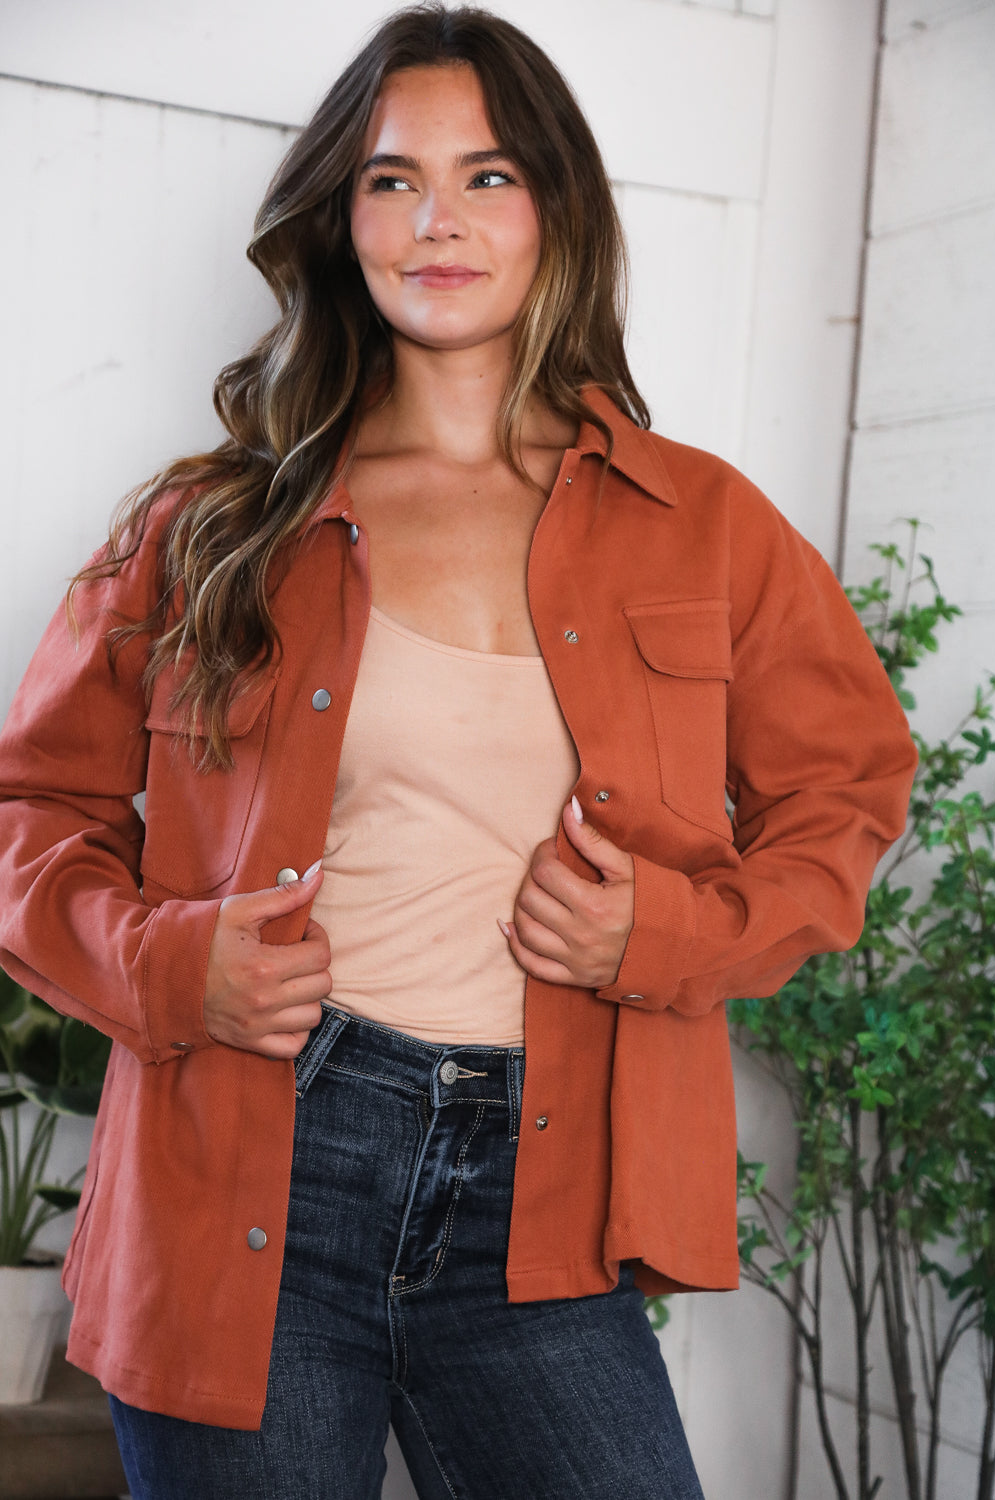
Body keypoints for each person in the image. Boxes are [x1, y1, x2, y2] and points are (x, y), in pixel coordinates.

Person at [0, 6, 917, 1498]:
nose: (439, 220)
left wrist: (671, 929)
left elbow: (848, 791)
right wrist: (173, 962)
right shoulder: (209, 526)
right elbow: (28, 807)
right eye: (391, 178)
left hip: (544, 1200)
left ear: (557, 206)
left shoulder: (705, 525)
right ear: (337, 214)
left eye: (488, 176)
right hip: (254, 1168)